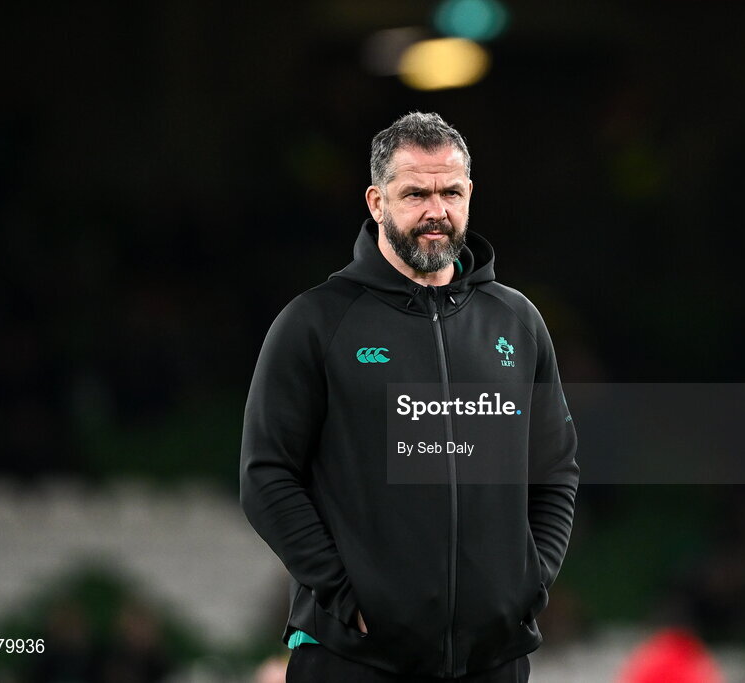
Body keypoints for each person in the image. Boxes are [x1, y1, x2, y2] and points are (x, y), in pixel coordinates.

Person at [240, 112, 579, 682]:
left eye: (450, 192)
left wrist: (528, 581)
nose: (435, 212)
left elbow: (556, 469)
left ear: (470, 194)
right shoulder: (315, 323)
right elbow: (266, 476)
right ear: (376, 202)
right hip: (354, 660)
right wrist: (349, 599)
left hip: (493, 660)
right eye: (415, 193)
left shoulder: (518, 322)